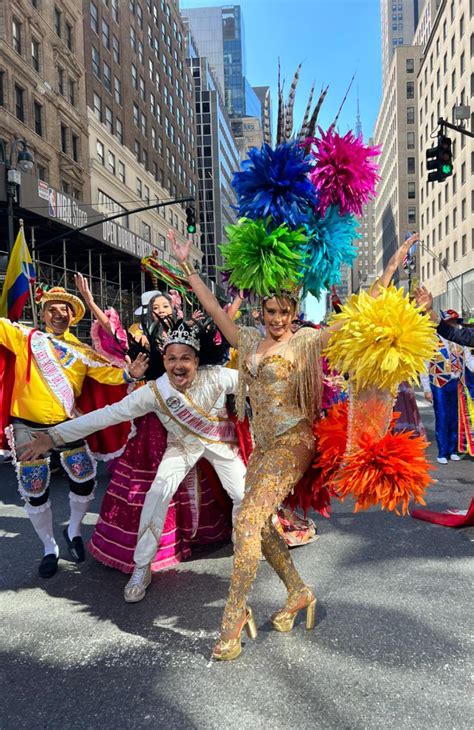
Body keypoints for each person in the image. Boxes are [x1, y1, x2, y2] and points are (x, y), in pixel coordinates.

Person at [167, 233, 415, 661]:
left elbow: (362, 312)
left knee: (244, 521)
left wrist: (391, 269)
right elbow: (210, 307)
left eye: (284, 311)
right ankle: (298, 592)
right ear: (261, 311)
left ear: (294, 312)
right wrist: (187, 266)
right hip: (263, 448)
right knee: (260, 527)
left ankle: (232, 618)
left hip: (295, 442)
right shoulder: (246, 340)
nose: (277, 318)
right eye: (270, 311)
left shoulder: (306, 341)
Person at [19, 319, 247, 603]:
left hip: (220, 444)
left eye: (185, 358)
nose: (179, 365)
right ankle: (142, 567)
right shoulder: (154, 392)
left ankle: (244, 538)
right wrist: (52, 437)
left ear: (196, 360)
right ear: (163, 360)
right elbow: (106, 415)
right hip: (182, 448)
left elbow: (260, 384)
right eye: (172, 358)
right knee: (156, 494)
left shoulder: (218, 376)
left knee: (242, 493)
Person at [75, 273, 235, 575]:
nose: (161, 310)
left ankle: (193, 534)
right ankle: (145, 554)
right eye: (156, 307)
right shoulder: (142, 337)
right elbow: (115, 334)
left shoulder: (186, 331)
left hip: (186, 418)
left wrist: (236, 299)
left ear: (174, 309)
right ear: (150, 311)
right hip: (153, 417)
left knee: (197, 477)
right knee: (152, 485)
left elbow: (220, 327)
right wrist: (92, 303)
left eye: (165, 306)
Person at [0, 286, 148, 578]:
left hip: (68, 426)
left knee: (84, 479)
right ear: (42, 315)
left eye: (64, 310)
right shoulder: (24, 337)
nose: (58, 314)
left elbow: (107, 374)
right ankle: (48, 548)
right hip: (28, 426)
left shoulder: (80, 351)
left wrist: (132, 374)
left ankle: (74, 530)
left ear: (73, 317)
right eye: (52, 309)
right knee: (34, 489)